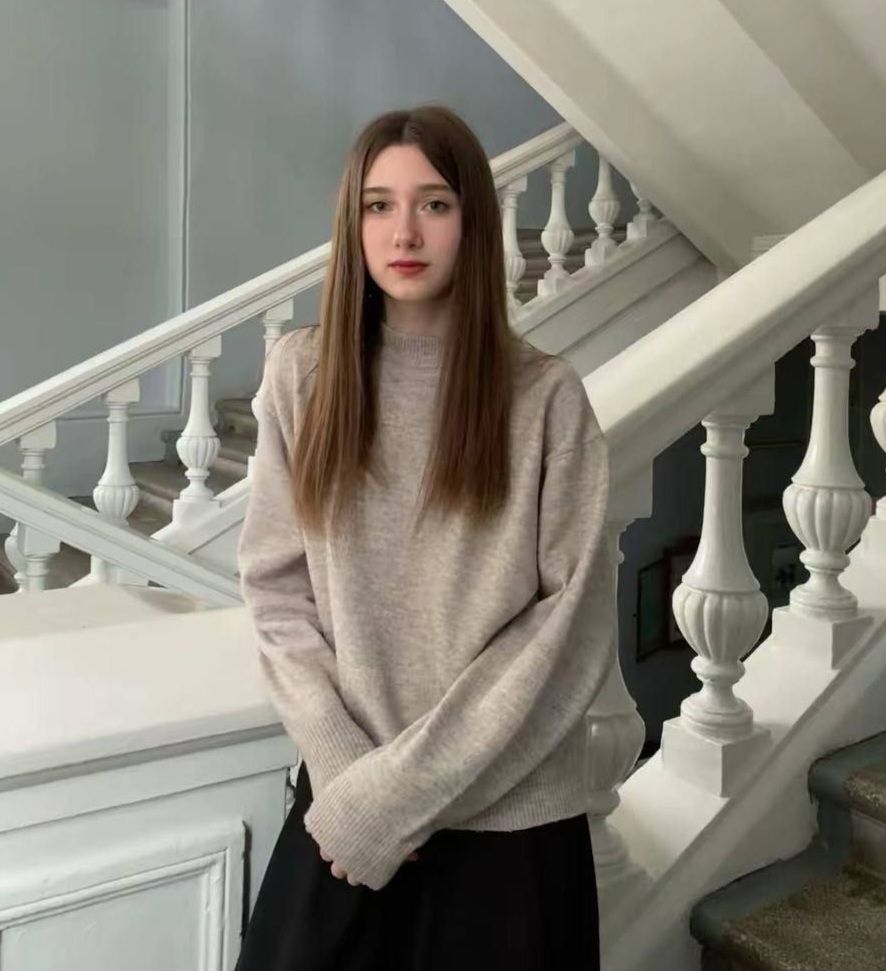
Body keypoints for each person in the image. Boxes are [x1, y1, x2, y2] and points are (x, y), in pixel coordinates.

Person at [235, 103, 616, 971]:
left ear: (472, 221)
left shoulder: (546, 397)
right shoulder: (303, 374)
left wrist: (400, 794)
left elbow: (567, 629)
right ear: (354, 222)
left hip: (509, 836)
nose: (404, 231)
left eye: (434, 204)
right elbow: (276, 591)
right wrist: (349, 776)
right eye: (379, 205)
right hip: (346, 815)